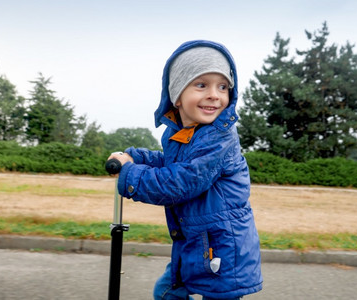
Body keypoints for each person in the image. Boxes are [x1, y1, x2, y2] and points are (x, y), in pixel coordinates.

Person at [107, 40, 262, 299]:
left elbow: (181, 182)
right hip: (196, 242)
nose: (214, 94)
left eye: (222, 86)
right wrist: (134, 157)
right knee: (167, 292)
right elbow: (171, 163)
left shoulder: (218, 137)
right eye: (202, 85)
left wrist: (131, 175)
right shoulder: (179, 134)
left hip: (222, 248)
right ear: (177, 95)